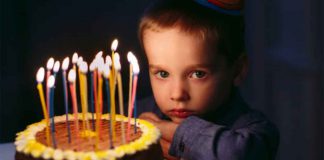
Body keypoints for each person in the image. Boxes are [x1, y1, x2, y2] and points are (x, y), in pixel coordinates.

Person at [136, 0, 280, 159]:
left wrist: (166, 130)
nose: (177, 94)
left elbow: (234, 154)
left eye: (198, 74)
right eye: (163, 74)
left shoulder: (256, 133)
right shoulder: (140, 112)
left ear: (238, 70)